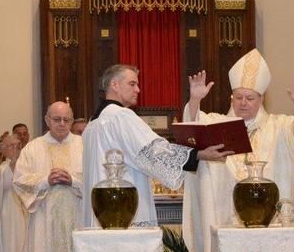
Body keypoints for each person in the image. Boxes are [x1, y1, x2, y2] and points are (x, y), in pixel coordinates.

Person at [182, 50, 294, 252]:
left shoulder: (279, 126)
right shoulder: (215, 122)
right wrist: (195, 100)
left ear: (261, 99)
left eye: (250, 98)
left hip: (268, 225)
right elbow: (191, 132)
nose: (243, 103)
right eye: (238, 97)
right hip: (225, 221)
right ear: (231, 98)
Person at [83, 64, 231, 235]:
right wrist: (199, 155)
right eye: (132, 84)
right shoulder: (120, 116)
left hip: (100, 210)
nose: (138, 89)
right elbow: (152, 152)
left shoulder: (92, 124)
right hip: (124, 210)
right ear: (114, 85)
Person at [14, 102, 83, 252]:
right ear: (47, 120)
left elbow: (96, 179)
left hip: (77, 219)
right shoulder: (33, 149)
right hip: (45, 221)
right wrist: (46, 180)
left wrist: (73, 180)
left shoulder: (84, 146)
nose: (62, 124)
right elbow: (20, 180)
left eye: (66, 119)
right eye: (57, 119)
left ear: (72, 121)